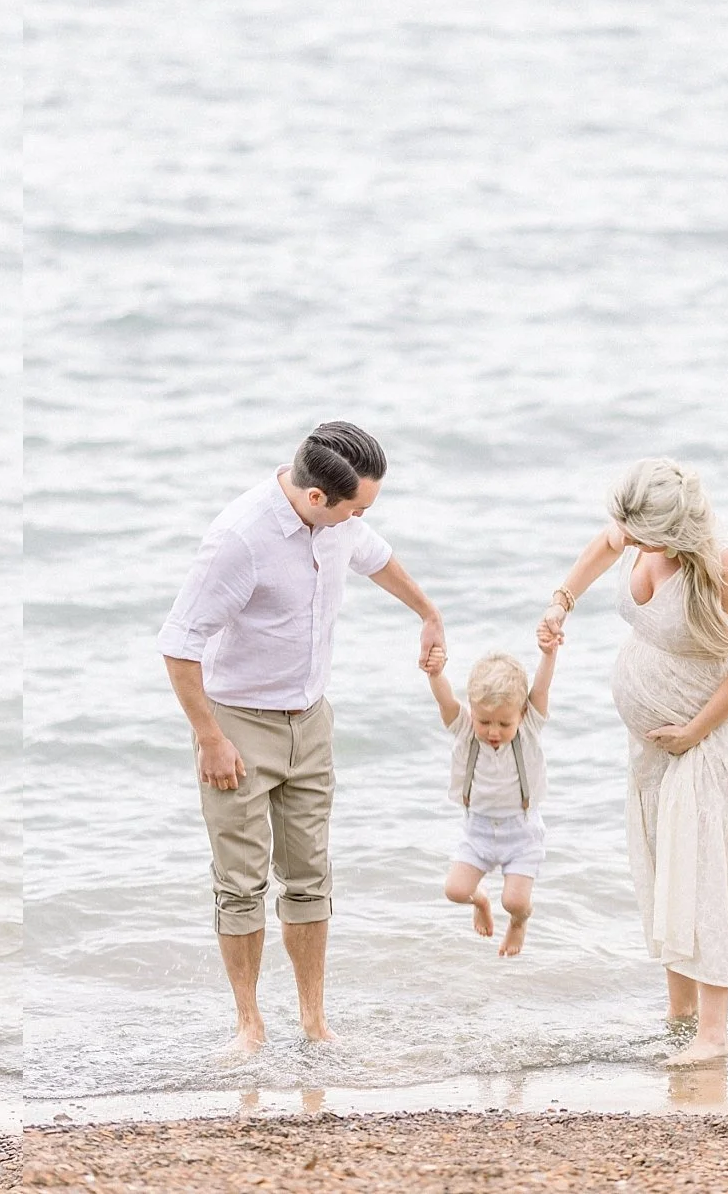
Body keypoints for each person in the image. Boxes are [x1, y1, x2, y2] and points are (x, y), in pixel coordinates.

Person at [538, 458, 728, 1065]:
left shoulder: (723, 563)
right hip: (658, 744)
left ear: (677, 531)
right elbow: (604, 545)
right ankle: (679, 1015)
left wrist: (691, 731)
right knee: (665, 866)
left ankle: (713, 1035)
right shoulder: (635, 528)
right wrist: (560, 603)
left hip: (714, 733)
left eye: (641, 535)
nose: (628, 541)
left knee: (708, 871)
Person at [159, 422, 446, 1055]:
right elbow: (179, 647)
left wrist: (427, 613)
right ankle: (249, 1026)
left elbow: (378, 558)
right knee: (240, 883)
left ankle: (314, 1022)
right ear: (316, 498)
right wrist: (209, 739)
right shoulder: (239, 540)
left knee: (311, 876)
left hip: (311, 720)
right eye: (357, 508)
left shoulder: (340, 521)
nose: (361, 519)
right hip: (236, 724)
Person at [423, 628, 558, 957]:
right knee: (454, 890)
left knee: (515, 901)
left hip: (521, 831)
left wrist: (549, 653)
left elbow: (541, 688)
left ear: (522, 714)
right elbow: (445, 700)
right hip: (478, 830)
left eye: (503, 723)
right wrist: (436, 673)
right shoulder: (466, 729)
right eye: (485, 722)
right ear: (472, 710)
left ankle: (519, 922)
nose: (493, 732)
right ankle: (479, 900)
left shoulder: (528, 727)